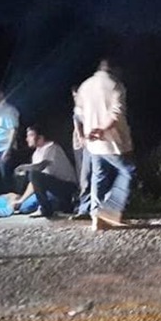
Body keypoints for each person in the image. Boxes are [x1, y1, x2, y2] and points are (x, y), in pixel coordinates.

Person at [75, 59, 136, 229]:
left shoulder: (85, 85)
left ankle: (96, 216)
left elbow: (78, 112)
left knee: (98, 176)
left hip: (92, 140)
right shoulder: (115, 85)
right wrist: (102, 128)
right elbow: (116, 113)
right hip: (112, 140)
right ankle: (110, 210)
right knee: (128, 172)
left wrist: (88, 131)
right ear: (113, 69)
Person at [13, 125, 78, 219]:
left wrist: (24, 167)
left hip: (66, 187)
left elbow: (40, 167)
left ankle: (46, 209)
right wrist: (21, 200)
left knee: (34, 173)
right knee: (24, 207)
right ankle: (52, 206)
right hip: (52, 187)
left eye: (30, 135)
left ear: (40, 137)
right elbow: (34, 182)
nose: (27, 139)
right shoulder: (36, 153)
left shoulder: (51, 147)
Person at [70, 86, 92, 220]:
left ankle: (88, 207)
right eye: (73, 96)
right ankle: (84, 207)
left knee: (88, 176)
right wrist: (80, 138)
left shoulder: (90, 107)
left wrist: (83, 137)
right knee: (82, 177)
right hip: (79, 145)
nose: (75, 98)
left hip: (90, 145)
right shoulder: (77, 109)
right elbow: (77, 125)